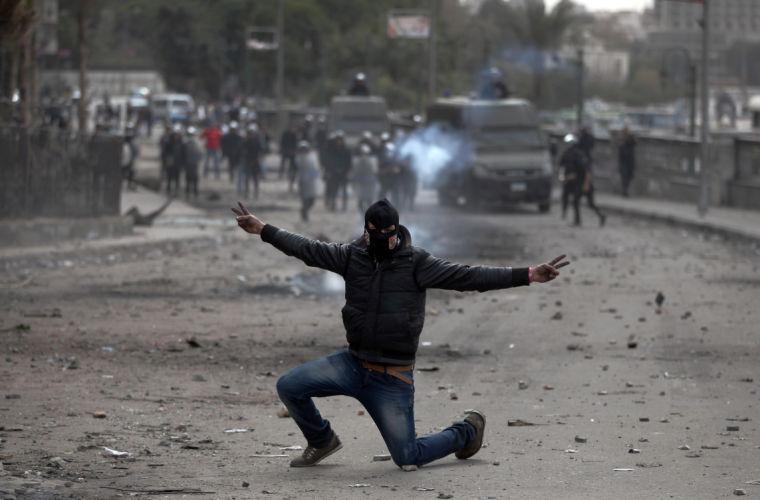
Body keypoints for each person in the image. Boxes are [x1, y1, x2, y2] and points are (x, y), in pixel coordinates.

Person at [230, 198, 570, 469]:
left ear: (398, 230)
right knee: (289, 386)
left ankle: (466, 431)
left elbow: (470, 277)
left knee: (407, 456)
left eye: (388, 234)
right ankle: (321, 440)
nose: (382, 240)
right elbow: (307, 249)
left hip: (392, 378)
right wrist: (263, 229)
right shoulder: (351, 256)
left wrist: (527, 274)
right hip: (353, 364)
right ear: (366, 230)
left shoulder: (417, 263)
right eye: (375, 233)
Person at [559, 134, 605, 227]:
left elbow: (586, 171)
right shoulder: (566, 154)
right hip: (575, 184)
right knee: (574, 200)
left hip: (583, 183)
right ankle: (577, 220)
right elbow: (562, 167)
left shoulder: (578, 155)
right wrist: (564, 177)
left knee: (590, 204)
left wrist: (586, 184)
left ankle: (601, 216)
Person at [295, 141, 320, 222]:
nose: (304, 150)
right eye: (302, 149)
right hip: (303, 181)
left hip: (311, 181)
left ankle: (304, 211)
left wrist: (315, 176)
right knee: (305, 199)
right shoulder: (298, 159)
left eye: (305, 149)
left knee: (312, 199)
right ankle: (304, 213)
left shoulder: (312, 157)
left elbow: (315, 168)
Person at [351, 144, 378, 213]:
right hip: (361, 181)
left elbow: (374, 171)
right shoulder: (357, 161)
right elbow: (356, 172)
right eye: (363, 153)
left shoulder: (372, 160)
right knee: (361, 198)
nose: (364, 155)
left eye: (366, 153)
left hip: (369, 181)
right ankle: (361, 211)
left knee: (369, 198)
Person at [241, 124, 264, 199]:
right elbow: (243, 151)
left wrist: (257, 159)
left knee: (255, 179)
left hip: (255, 161)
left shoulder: (257, 141)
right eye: (250, 133)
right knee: (247, 178)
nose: (251, 134)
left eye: (252, 133)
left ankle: (256, 193)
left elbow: (260, 151)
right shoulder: (246, 142)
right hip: (248, 161)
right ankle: (246, 193)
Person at [184, 127, 202, 198]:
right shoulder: (185, 142)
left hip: (194, 163)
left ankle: (195, 191)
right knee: (188, 177)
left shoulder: (197, 143)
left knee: (195, 177)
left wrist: (197, 160)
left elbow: (200, 153)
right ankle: (188, 190)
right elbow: (183, 153)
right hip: (188, 162)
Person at [617, 127, 636, 197]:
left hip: (630, 161)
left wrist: (631, 135)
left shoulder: (630, 139)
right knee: (624, 176)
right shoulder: (622, 141)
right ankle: (624, 191)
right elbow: (621, 152)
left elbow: (635, 142)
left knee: (629, 176)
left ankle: (625, 190)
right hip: (624, 162)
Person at [279, 125, 299, 189]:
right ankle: (281, 173)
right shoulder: (285, 134)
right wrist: (283, 149)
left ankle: (290, 174)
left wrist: (294, 150)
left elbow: (295, 143)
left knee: (292, 164)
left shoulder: (294, 135)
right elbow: (282, 142)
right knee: (283, 163)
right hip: (285, 150)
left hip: (291, 152)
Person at [121, 126, 139, 191]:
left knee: (131, 172)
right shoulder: (125, 139)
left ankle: (130, 185)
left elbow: (136, 150)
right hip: (126, 158)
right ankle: (127, 184)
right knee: (125, 171)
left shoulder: (133, 140)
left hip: (130, 158)